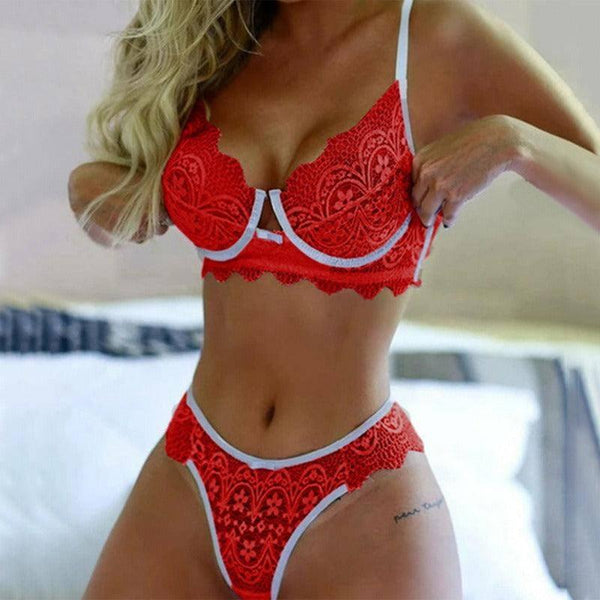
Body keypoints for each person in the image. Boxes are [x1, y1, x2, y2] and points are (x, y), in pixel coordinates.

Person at [69, 0, 600, 598]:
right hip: (191, 472)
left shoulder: (441, 35)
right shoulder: (214, 41)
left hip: (360, 499)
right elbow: (112, 200)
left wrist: (514, 143)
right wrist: (91, 191)